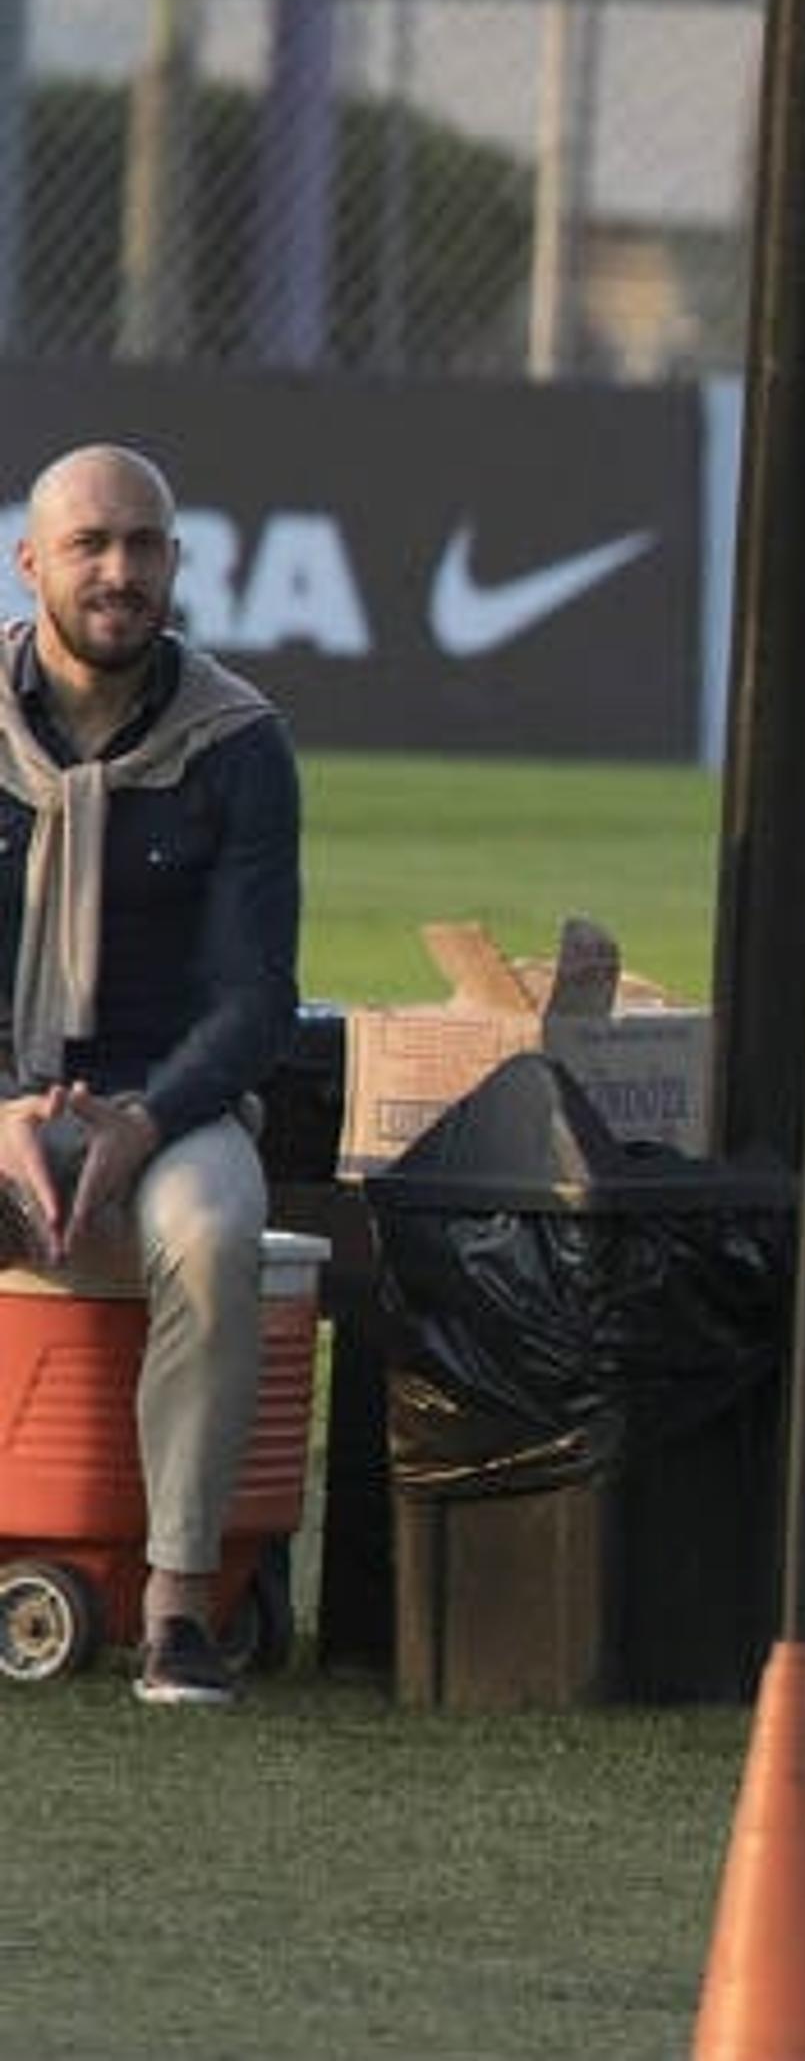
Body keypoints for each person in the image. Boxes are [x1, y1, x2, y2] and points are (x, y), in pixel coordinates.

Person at [0, 444, 303, 1707]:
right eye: (91, 546)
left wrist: (145, 1117)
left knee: (216, 1231)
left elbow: (254, 999)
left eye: (145, 546)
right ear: (33, 565)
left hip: (170, 1103)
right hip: (7, 1095)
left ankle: (180, 1607)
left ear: (177, 562)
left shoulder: (235, 740)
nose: (119, 572)